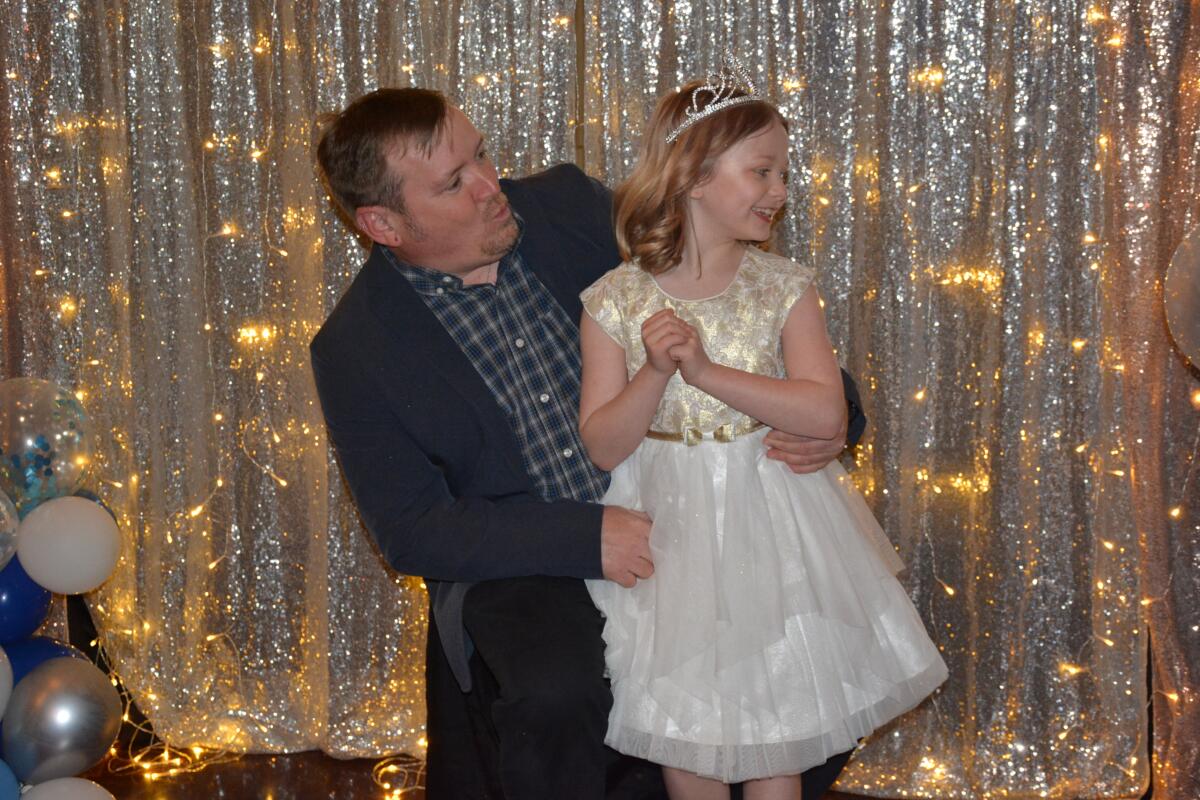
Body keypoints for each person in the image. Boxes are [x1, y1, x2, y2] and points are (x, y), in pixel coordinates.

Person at [310, 86, 865, 799]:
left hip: (690, 500)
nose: (489, 186)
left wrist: (834, 415)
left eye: (480, 155)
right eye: (453, 183)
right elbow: (413, 529)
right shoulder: (357, 347)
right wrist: (585, 535)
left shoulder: (569, 207)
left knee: (819, 644)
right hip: (526, 558)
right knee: (559, 692)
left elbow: (724, 289)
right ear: (382, 223)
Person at [578, 67, 949, 800]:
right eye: (762, 171)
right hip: (669, 523)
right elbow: (603, 444)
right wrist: (655, 372)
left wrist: (705, 371)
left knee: (777, 704)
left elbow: (824, 414)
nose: (780, 189)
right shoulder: (614, 300)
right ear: (694, 177)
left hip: (772, 508)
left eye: (782, 172)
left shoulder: (783, 286)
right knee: (685, 708)